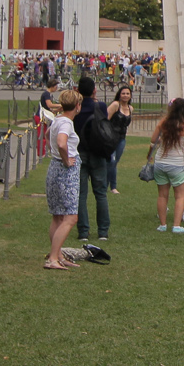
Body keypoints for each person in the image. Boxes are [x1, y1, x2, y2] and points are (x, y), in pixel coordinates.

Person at [44, 89, 83, 268]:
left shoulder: (57, 120)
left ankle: (58, 254)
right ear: (77, 106)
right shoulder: (66, 122)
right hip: (66, 172)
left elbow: (48, 135)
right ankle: (53, 258)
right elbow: (61, 142)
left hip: (54, 168)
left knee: (58, 216)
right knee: (70, 217)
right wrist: (67, 159)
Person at [146, 98, 184, 234]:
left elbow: (153, 140)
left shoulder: (163, 122)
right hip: (177, 163)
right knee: (179, 195)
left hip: (161, 161)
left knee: (162, 195)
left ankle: (162, 224)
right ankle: (176, 225)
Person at [72, 75, 111, 242]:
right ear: (94, 90)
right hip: (97, 152)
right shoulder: (100, 106)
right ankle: (103, 231)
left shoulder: (76, 109)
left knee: (81, 194)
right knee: (100, 193)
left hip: (80, 151)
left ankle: (83, 231)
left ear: (77, 91)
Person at [105, 85, 133, 195]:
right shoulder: (115, 105)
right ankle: (108, 185)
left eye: (127, 93)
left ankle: (111, 186)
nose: (125, 95)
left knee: (114, 162)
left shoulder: (131, 108)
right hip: (111, 137)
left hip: (121, 139)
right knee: (111, 161)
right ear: (119, 95)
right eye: (123, 93)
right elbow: (105, 120)